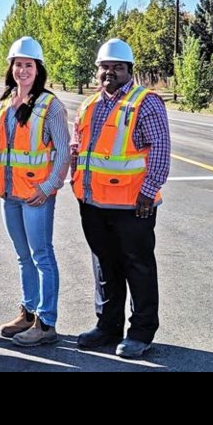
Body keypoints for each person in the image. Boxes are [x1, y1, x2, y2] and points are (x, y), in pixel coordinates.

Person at [71, 39, 171, 359]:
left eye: (117, 67)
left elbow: (161, 148)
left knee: (137, 267)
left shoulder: (146, 102)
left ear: (129, 70)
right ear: (97, 70)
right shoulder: (89, 105)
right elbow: (80, 150)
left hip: (133, 205)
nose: (109, 72)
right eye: (104, 67)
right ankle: (108, 326)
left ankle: (141, 332)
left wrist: (148, 190)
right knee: (105, 267)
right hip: (94, 204)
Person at [0, 37, 70, 347]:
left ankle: (46, 322)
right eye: (18, 64)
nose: (22, 70)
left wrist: (49, 187)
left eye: (29, 65)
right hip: (10, 194)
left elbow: (63, 152)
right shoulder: (6, 101)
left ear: (38, 69)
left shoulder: (50, 106)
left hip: (36, 195)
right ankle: (28, 313)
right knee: (24, 257)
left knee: (42, 257)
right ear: (11, 68)